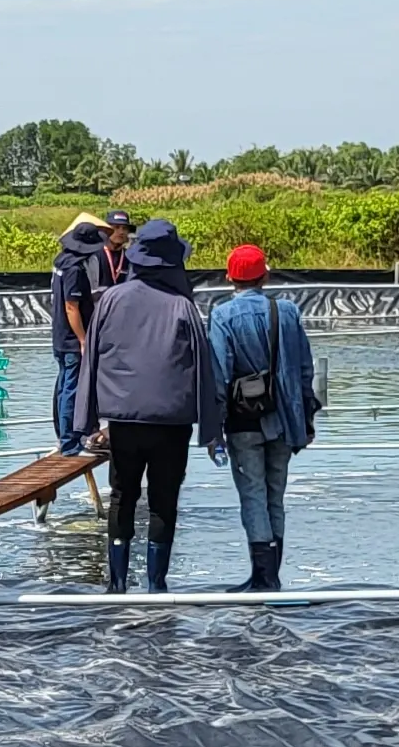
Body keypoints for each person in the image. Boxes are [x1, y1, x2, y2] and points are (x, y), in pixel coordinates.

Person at [71, 218, 209, 592]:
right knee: (165, 500)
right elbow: (204, 367)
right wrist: (211, 429)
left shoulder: (112, 299)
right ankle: (156, 584)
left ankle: (116, 584)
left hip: (123, 421)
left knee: (122, 494)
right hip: (172, 424)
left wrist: (85, 420)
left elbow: (91, 360)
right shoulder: (183, 305)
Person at [201, 242, 319, 592]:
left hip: (243, 420)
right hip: (285, 419)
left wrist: (213, 431)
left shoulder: (222, 315)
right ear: (265, 275)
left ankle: (261, 577)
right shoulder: (287, 312)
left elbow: (219, 375)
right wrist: (307, 417)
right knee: (275, 496)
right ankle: (273, 577)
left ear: (229, 277)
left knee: (252, 495)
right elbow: (304, 369)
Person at [46, 211, 114, 457]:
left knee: (65, 385)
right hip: (72, 338)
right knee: (72, 388)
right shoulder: (75, 269)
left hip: (59, 335)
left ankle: (67, 438)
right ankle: (70, 442)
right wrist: (83, 339)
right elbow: (71, 306)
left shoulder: (61, 262)